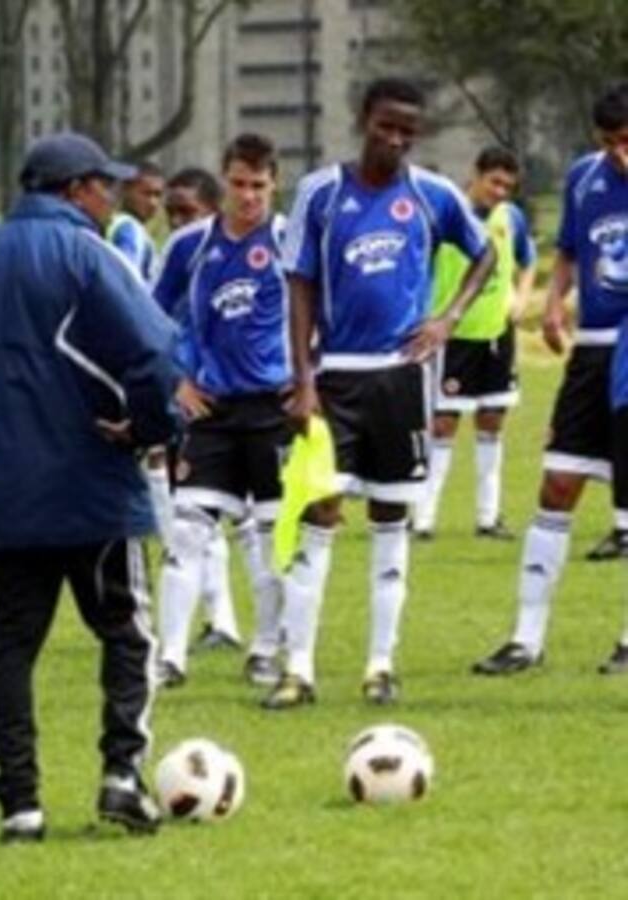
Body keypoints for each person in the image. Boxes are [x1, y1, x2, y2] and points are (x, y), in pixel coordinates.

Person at [0, 132, 180, 843]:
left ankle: (20, 803)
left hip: (0, 497)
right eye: (104, 186)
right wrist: (145, 430)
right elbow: (156, 354)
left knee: (11, 646)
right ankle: (121, 777)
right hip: (92, 488)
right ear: (75, 189)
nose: (111, 198)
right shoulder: (89, 255)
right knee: (125, 632)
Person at [271, 77, 495, 709]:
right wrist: (302, 378)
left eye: (407, 131)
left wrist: (447, 318)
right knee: (320, 516)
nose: (395, 139)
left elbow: (485, 256)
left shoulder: (432, 194)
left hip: (402, 378)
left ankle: (379, 665)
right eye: (385, 126)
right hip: (334, 376)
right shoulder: (320, 192)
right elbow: (299, 286)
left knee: (391, 520)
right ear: (363, 119)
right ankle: (298, 670)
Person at [473, 83, 628, 675]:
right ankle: (526, 640)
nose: (621, 156)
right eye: (612, 143)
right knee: (557, 485)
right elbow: (568, 251)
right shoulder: (585, 178)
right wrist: (556, 304)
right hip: (592, 353)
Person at [151, 134, 290, 690]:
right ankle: (171, 656)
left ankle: (264, 649)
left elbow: (321, 315)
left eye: (259, 185)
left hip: (273, 408)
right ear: (224, 181)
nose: (248, 195)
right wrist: (176, 381)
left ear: (274, 184)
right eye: (238, 184)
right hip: (210, 409)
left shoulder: (293, 241)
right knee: (188, 533)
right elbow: (148, 315)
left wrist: (310, 385)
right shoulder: (190, 246)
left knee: (268, 537)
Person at [413, 147, 537, 540]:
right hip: (453, 337)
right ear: (475, 175)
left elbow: (527, 259)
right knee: (444, 425)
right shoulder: (448, 214)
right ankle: (424, 519)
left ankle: (488, 518)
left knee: (492, 422)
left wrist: (521, 295)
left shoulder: (510, 218)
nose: (500, 192)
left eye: (507, 186)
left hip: (497, 336)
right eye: (494, 182)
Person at [106, 161, 165, 281]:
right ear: (125, 190)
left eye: (157, 195)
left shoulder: (113, 222)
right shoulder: (130, 229)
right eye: (146, 194)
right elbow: (127, 280)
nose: (153, 202)